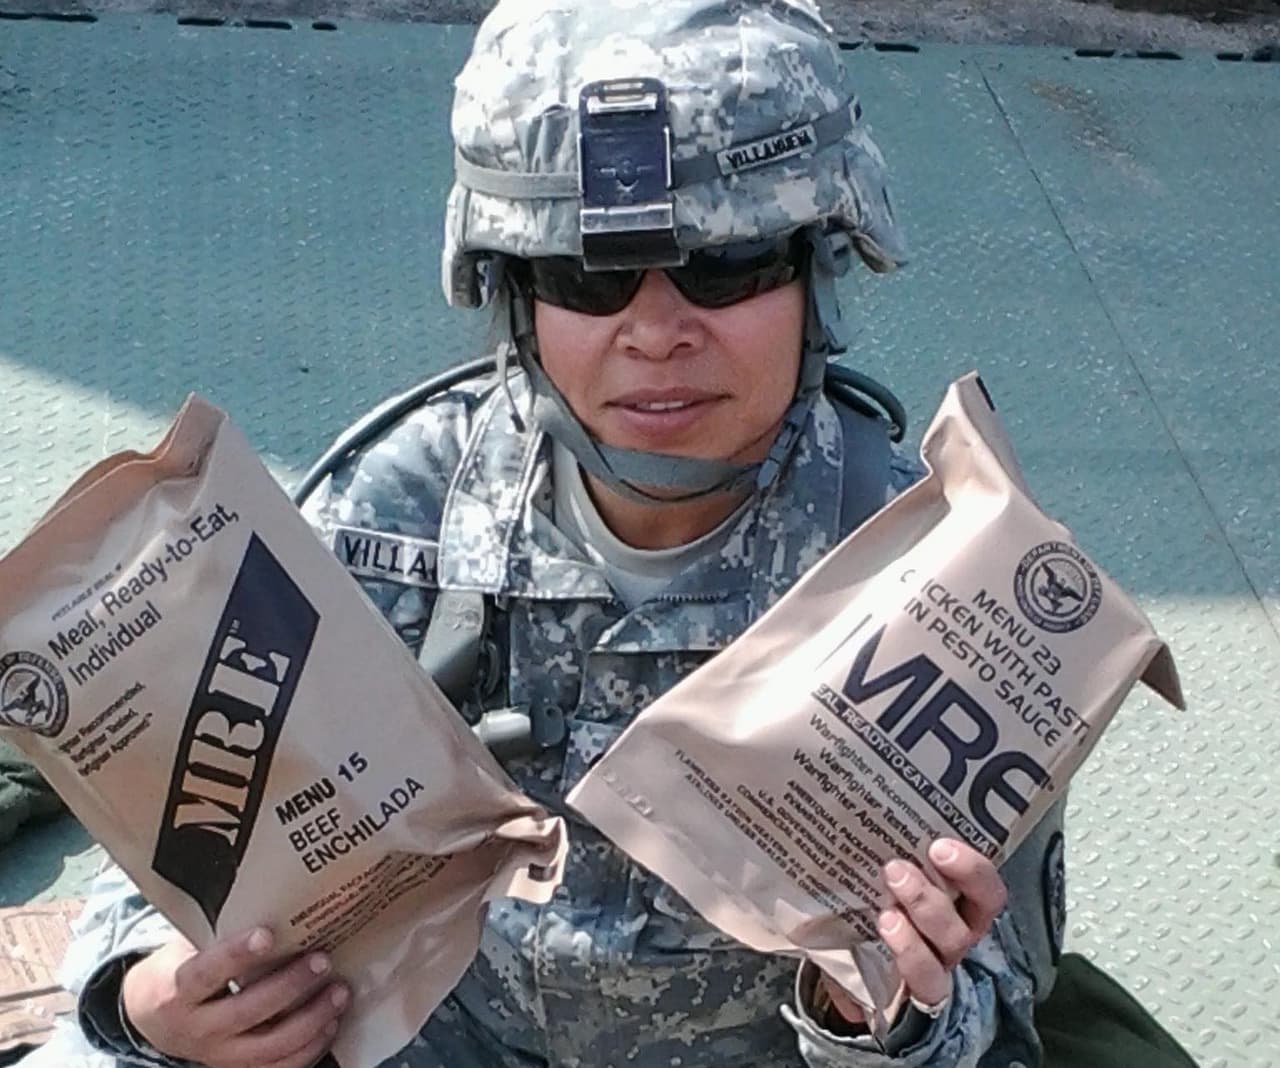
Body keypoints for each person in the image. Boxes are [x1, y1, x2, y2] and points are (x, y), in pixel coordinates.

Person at [54, 2, 1082, 1066]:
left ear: (816, 273)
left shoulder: (940, 581)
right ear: (515, 299)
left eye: (724, 266)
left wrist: (870, 1019)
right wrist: (151, 1005)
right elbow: (180, 853)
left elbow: (992, 1005)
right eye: (585, 279)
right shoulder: (389, 512)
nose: (656, 331)